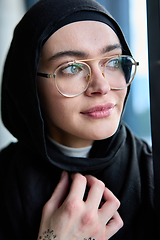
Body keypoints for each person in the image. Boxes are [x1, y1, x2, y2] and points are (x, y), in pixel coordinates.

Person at [0, 0, 157, 239]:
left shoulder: (153, 174)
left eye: (113, 61)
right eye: (72, 68)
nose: (102, 86)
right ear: (28, 85)